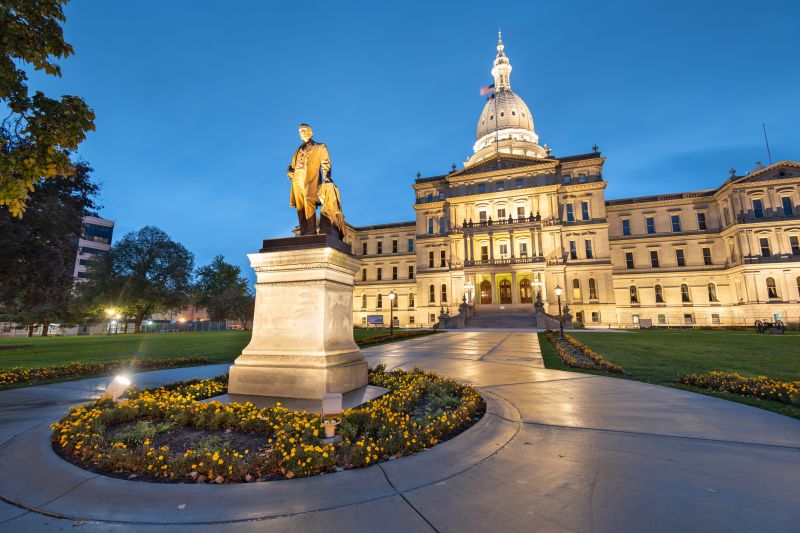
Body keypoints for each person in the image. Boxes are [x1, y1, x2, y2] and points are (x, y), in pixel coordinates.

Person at [287, 123, 331, 235]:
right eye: (300, 131)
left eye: (303, 130)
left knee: (308, 200)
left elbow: (325, 163)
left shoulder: (320, 147)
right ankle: (303, 230)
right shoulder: (298, 149)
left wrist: (327, 177)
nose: (301, 133)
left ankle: (311, 231)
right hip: (297, 178)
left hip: (310, 177)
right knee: (300, 205)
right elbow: (292, 165)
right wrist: (290, 171)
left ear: (310, 132)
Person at [318, 176, 346, 240]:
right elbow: (320, 196)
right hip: (330, 207)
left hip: (331, 207)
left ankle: (335, 230)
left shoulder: (331, 187)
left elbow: (320, 196)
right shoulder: (331, 187)